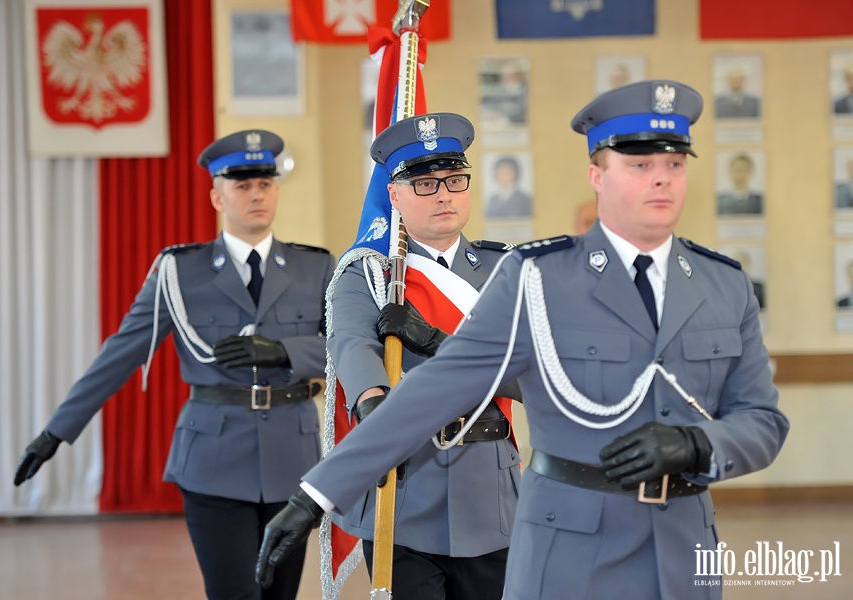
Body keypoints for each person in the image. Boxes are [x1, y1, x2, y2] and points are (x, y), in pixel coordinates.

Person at [256, 81, 790, 600]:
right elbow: (370, 356)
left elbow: (760, 420)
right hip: (527, 524)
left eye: (674, 164)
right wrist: (322, 486)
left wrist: (698, 445)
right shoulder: (517, 275)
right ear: (598, 176)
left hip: (623, 528)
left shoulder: (723, 283)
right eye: (639, 165)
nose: (661, 181)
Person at [14, 129, 336, 600]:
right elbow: (120, 353)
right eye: (242, 185)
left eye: (264, 183)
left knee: (279, 596)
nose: (256, 194)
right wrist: (56, 432)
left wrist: (285, 353)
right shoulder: (180, 272)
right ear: (216, 196)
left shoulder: (316, 268)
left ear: (277, 190)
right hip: (212, 460)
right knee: (235, 594)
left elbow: (344, 349)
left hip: (293, 459)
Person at [328, 113, 521, 599]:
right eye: (425, 183)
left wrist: (437, 342)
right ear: (393, 195)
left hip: (489, 493)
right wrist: (373, 401)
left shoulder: (509, 271)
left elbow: (532, 376)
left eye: (455, 180)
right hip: (405, 486)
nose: (443, 194)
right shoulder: (369, 275)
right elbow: (353, 345)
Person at [485, 155, 533, 219]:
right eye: (501, 173)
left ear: (515, 174)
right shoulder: (493, 200)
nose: (504, 176)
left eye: (507, 172)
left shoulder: (525, 199)